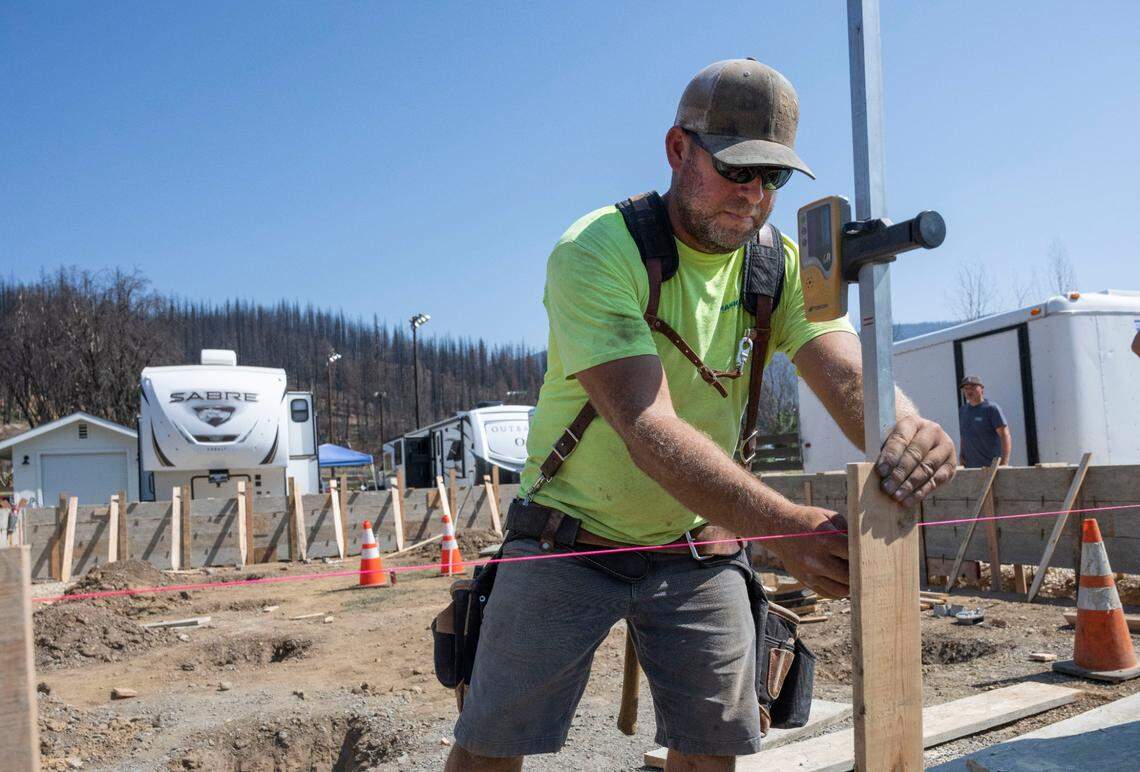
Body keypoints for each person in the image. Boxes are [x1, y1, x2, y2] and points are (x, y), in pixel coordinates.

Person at [445, 58, 957, 772]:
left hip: (698, 542)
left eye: (772, 178)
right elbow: (646, 431)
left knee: (714, 748)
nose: (754, 196)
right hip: (569, 534)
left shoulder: (774, 265)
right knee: (490, 747)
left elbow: (841, 368)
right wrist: (786, 528)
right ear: (678, 149)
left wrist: (904, 429)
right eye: (737, 170)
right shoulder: (597, 250)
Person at [958, 375, 1011, 467]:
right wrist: (962, 454)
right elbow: (964, 434)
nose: (969, 391)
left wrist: (1004, 462)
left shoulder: (991, 409)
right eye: (966, 388)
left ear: (982, 389)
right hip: (970, 467)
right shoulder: (963, 410)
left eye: (973, 387)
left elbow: (1004, 435)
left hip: (991, 467)